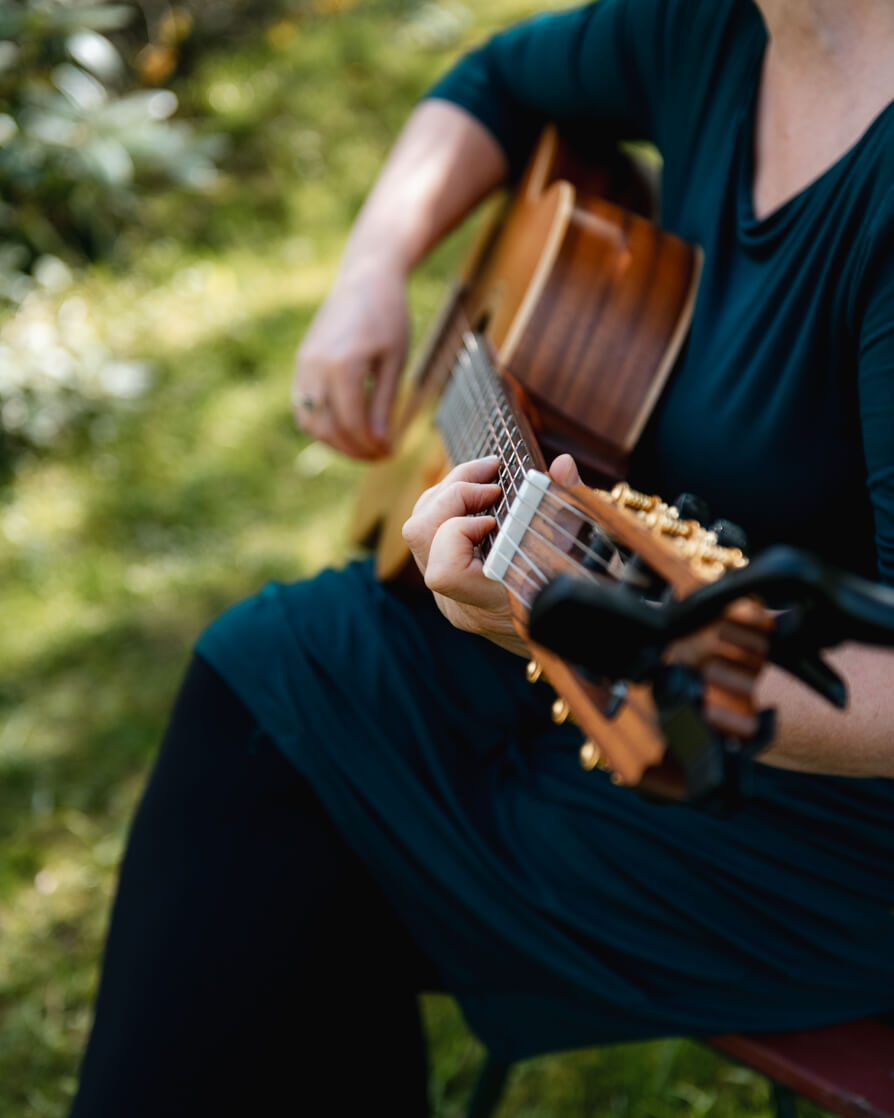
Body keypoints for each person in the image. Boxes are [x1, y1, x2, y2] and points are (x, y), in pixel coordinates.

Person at [70, 0, 894, 1114]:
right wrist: (374, 270)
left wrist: (607, 639)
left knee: (287, 839)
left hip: (819, 806)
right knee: (271, 677)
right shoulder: (718, 28)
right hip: (642, 638)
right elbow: (496, 78)